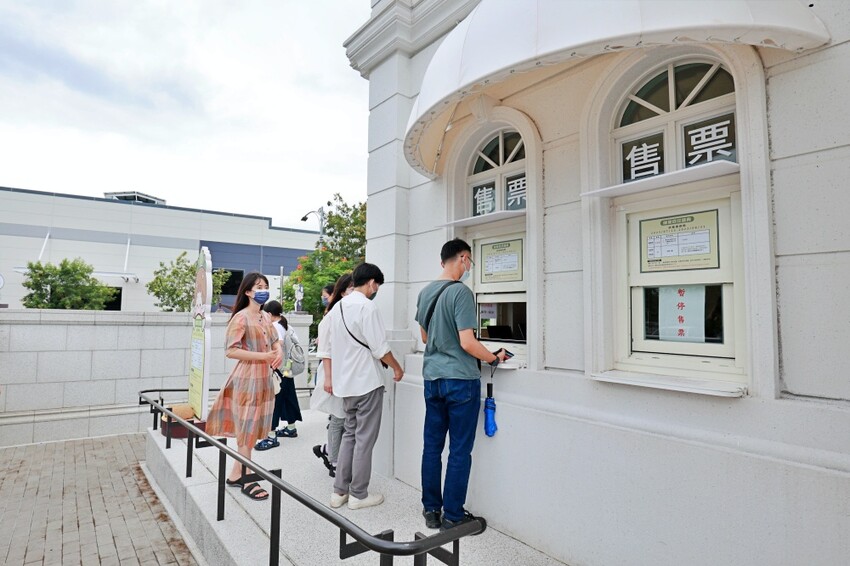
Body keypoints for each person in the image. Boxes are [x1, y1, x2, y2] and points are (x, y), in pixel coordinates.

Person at [415, 238, 508, 530]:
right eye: (470, 262)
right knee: (458, 450)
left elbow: (426, 339)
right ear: (463, 258)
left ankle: (431, 510)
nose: (469, 268)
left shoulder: (425, 292)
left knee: (432, 447)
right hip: (460, 382)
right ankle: (452, 516)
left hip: (433, 379)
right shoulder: (461, 293)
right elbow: (468, 342)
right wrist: (493, 358)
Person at [325, 263, 404, 510]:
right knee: (364, 439)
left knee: (350, 434)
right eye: (376, 285)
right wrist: (397, 367)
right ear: (371, 282)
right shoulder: (367, 307)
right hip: (367, 383)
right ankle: (359, 494)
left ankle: (340, 492)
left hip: (344, 383)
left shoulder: (337, 307)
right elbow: (380, 348)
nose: (376, 290)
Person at [206, 272, 282, 501]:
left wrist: (278, 352)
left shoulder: (265, 317)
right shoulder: (240, 318)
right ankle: (248, 477)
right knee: (247, 428)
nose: (264, 289)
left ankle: (235, 473)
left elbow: (276, 340)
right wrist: (264, 356)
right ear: (248, 291)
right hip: (247, 379)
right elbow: (231, 350)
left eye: (266, 286)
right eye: (259, 286)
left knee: (253, 427)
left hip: (263, 379)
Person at [312, 274, 354, 477]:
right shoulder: (333, 314)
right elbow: (325, 350)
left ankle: (328, 450)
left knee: (344, 418)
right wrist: (328, 379)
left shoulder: (351, 311)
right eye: (352, 288)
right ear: (344, 290)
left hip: (347, 372)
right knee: (338, 418)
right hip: (335, 373)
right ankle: (334, 461)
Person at [255, 301, 303, 451]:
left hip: (278, 370)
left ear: (269, 314)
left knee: (273, 402)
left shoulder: (275, 326)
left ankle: (271, 436)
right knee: (289, 398)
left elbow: (278, 345)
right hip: (287, 370)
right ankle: (291, 428)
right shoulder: (287, 325)